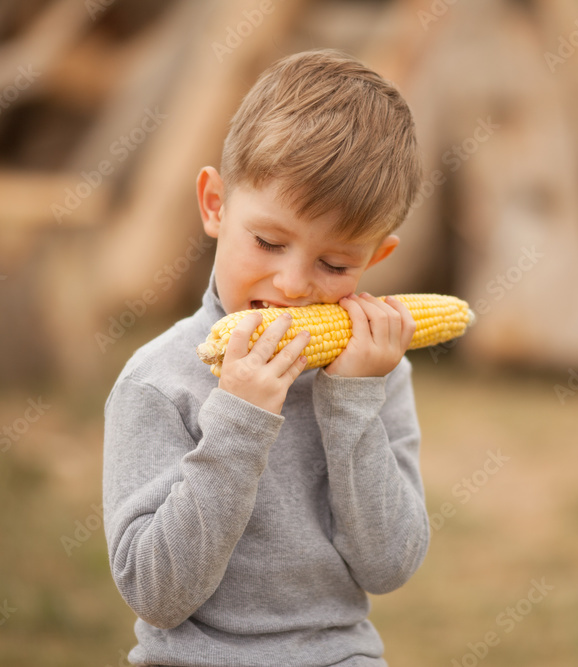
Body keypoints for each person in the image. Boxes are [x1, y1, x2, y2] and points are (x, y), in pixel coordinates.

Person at [102, 49, 430, 666]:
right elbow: (154, 593)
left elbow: (390, 565)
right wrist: (238, 421)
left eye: (335, 263)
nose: (293, 284)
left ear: (375, 258)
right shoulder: (158, 382)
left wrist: (355, 402)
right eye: (269, 242)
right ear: (215, 204)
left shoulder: (378, 373)